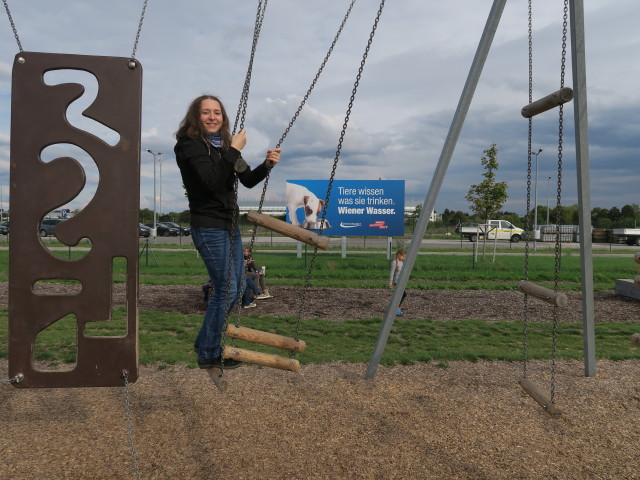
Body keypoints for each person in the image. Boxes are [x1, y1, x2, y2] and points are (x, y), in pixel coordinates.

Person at [175, 94, 281, 369]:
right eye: (206, 112)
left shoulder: (223, 146)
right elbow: (211, 183)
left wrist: (266, 166)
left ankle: (204, 343)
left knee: (234, 289)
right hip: (209, 226)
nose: (212, 117)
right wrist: (232, 149)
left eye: (217, 113)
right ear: (195, 117)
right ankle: (209, 353)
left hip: (229, 226)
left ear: (223, 117)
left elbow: (246, 180)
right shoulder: (189, 146)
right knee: (225, 288)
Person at [388, 248, 407, 315]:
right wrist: (390, 283)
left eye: (404, 257)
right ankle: (397, 308)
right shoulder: (394, 262)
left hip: (401, 281)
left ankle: (394, 308)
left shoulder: (401, 262)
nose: (404, 258)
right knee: (404, 294)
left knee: (400, 294)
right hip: (397, 281)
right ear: (399, 255)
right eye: (403, 256)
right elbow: (392, 273)